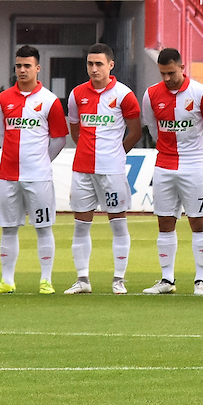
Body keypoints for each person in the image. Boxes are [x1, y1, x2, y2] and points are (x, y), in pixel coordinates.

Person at [0, 45, 69, 294]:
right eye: (18, 66)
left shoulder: (49, 100)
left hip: (38, 176)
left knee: (43, 226)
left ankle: (46, 280)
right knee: (9, 227)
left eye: (27, 66)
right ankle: (7, 281)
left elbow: (59, 139)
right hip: (8, 175)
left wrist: (41, 161)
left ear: (37, 68)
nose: (22, 70)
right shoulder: (3, 99)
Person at [64, 43, 142, 295]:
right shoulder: (77, 94)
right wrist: (87, 149)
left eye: (99, 64)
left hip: (112, 170)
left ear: (111, 65)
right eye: (90, 64)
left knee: (118, 224)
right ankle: (82, 279)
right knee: (80, 225)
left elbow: (136, 131)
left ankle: (119, 279)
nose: (94, 69)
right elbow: (75, 129)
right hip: (82, 169)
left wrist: (116, 153)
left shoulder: (123, 94)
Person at [140, 47, 203, 295]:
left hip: (194, 165)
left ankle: (200, 280)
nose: (166, 78)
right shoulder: (151, 94)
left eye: (171, 73)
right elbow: (152, 128)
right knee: (165, 222)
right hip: (164, 165)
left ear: (182, 68)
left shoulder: (201, 93)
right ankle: (167, 280)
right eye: (162, 73)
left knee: (198, 221)